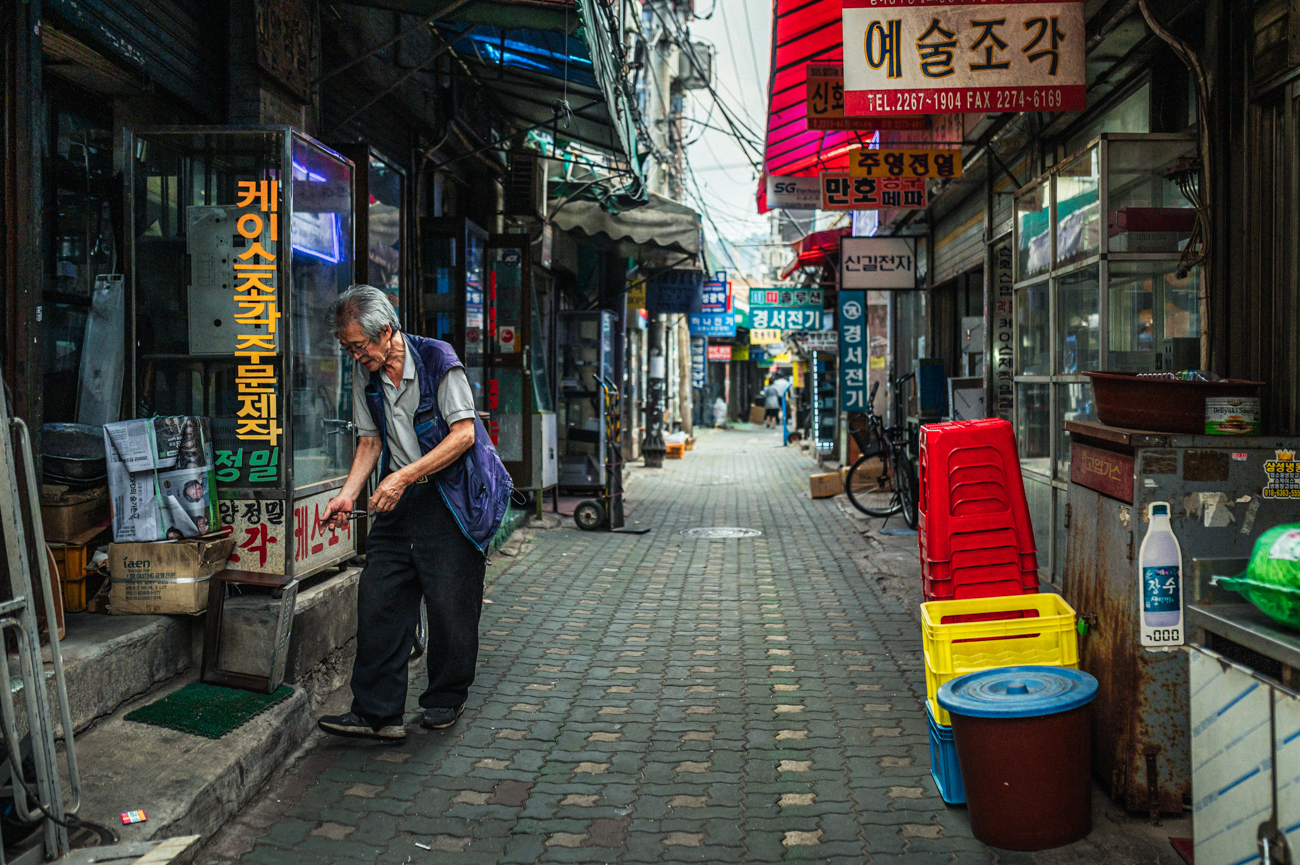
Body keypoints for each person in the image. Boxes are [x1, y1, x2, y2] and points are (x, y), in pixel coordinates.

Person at [318, 285, 512, 741]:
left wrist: (404, 477)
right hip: (397, 496)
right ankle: (376, 713)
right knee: (379, 598)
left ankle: (445, 697)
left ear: (386, 332)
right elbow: (369, 442)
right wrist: (348, 494)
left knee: (450, 604)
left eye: (359, 346)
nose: (354, 355)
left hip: (449, 495)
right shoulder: (364, 374)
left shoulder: (437, 359)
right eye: (347, 347)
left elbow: (463, 434)